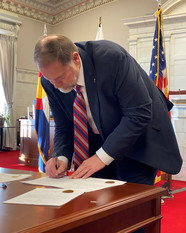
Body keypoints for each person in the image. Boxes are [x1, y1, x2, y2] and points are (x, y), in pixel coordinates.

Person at [34, 34, 182, 185]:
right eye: (50, 79)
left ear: (76, 59)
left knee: (132, 203)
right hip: (96, 141)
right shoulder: (50, 81)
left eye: (60, 78)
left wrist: (101, 158)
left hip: (136, 140)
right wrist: (61, 157)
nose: (56, 85)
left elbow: (139, 114)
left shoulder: (111, 58)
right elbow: (64, 125)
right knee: (95, 200)